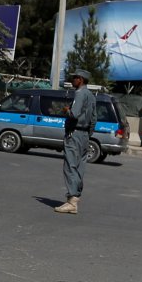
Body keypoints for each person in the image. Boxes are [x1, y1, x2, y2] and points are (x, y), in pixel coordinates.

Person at [54, 68, 97, 214]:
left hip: (75, 133)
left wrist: (66, 110)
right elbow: (94, 119)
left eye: (75, 78)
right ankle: (75, 198)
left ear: (81, 80)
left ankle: (72, 200)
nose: (73, 81)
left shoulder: (79, 94)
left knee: (70, 166)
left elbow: (74, 114)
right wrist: (87, 134)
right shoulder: (91, 95)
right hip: (84, 135)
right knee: (79, 167)